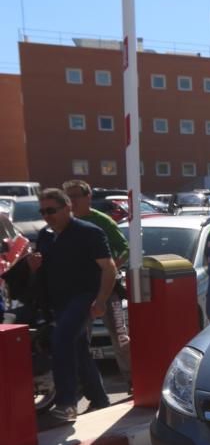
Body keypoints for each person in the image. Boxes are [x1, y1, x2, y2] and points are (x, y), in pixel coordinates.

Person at [27, 188, 115, 421]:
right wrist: (35, 266)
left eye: (52, 210)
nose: (47, 215)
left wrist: (101, 301)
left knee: (62, 339)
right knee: (78, 349)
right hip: (59, 300)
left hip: (84, 297)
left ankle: (66, 402)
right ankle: (100, 400)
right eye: (43, 211)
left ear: (67, 208)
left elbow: (109, 268)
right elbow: (47, 269)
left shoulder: (89, 233)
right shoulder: (45, 235)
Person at [62, 179, 131, 385]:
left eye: (76, 196)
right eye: (68, 197)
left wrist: (110, 269)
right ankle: (83, 385)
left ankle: (132, 381)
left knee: (120, 337)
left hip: (110, 291)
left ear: (88, 197)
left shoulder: (102, 222)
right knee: (80, 339)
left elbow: (125, 249)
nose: (72, 201)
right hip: (79, 291)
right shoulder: (64, 224)